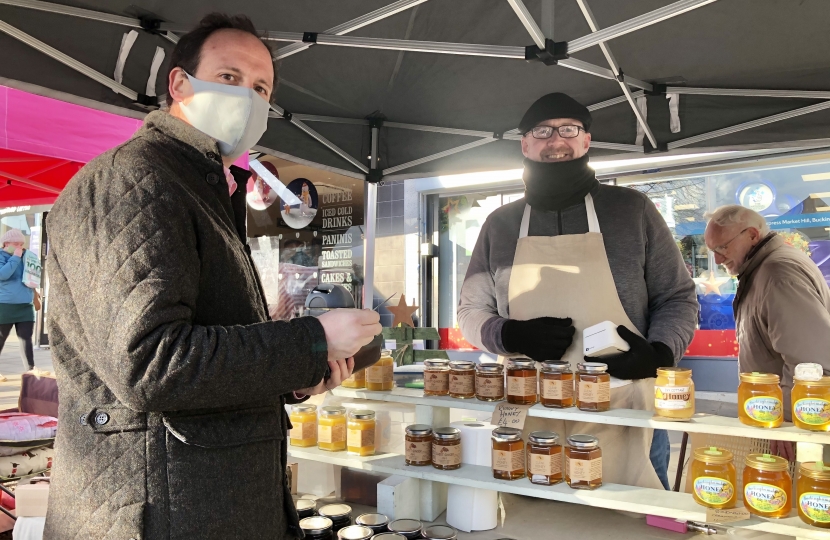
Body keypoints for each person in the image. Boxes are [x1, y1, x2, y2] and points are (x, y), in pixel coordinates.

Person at [43, 14, 381, 540]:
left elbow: (200, 350)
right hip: (161, 509)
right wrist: (309, 339)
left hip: (208, 498)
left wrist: (296, 372)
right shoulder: (135, 179)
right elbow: (150, 364)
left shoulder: (199, 185)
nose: (248, 96)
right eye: (229, 77)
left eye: (261, 87)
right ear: (180, 84)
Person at [458, 93, 698, 490]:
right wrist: (508, 335)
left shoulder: (631, 210)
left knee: (630, 521)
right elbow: (470, 310)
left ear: (586, 141)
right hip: (527, 403)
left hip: (622, 400)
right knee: (530, 519)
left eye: (569, 129)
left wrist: (659, 353)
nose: (556, 141)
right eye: (542, 131)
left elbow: (676, 297)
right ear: (525, 144)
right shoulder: (500, 223)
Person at [704, 205, 830, 460]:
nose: (717, 259)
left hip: (793, 430)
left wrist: (782, 422)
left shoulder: (777, 274)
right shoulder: (764, 269)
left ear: (752, 235)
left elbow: (812, 364)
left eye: (722, 247)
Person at [0, 229, 42, 378]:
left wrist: (35, 296)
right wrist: (16, 258)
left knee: (26, 338)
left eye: (22, 244)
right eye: (16, 244)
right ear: (6, 244)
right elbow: (3, 275)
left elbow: (32, 276)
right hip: (4, 306)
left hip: (25, 306)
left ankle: (31, 370)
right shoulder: (2, 256)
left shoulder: (26, 256)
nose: (20, 247)